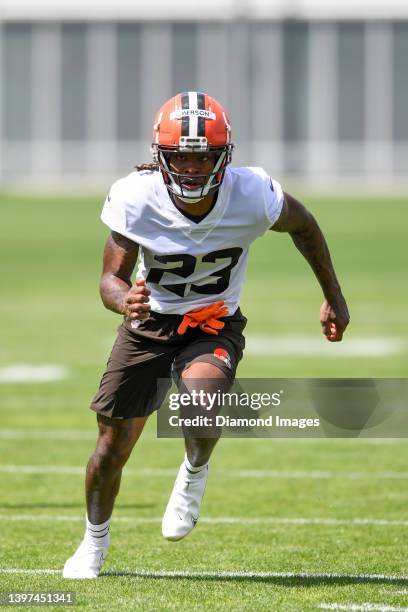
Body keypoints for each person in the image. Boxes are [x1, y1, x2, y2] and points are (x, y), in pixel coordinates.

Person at [63, 91, 349, 579]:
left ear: (224, 156)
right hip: (148, 325)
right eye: (182, 157)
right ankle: (93, 543)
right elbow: (110, 278)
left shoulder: (254, 193)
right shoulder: (135, 196)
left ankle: (193, 474)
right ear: (161, 158)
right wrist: (121, 300)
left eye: (203, 156)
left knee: (202, 397)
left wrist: (333, 295)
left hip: (213, 319)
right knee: (110, 451)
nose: (193, 168)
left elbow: (305, 227)